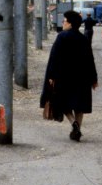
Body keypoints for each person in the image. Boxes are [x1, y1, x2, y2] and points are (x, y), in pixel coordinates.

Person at [39, 10, 98, 142]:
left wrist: (51, 76)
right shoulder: (84, 39)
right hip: (82, 78)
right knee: (79, 105)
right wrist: (94, 79)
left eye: (65, 21)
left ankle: (73, 123)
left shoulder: (62, 37)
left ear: (70, 23)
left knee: (63, 103)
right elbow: (90, 60)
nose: (63, 23)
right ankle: (78, 128)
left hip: (64, 77)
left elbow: (54, 58)